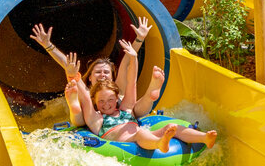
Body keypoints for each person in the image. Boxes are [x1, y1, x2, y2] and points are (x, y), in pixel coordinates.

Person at [70, 41, 217, 150]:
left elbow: (131, 83)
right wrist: (73, 76)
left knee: (171, 126)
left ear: (117, 99)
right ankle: (159, 143)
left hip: (142, 134)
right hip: (130, 140)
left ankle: (204, 138)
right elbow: (84, 96)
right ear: (94, 101)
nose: (106, 104)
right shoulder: (96, 119)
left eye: (110, 100)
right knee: (140, 134)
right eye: (101, 101)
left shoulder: (125, 109)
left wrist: (133, 59)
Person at [31, 17, 164, 122]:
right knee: (80, 114)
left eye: (106, 72)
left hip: (125, 117)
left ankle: (149, 96)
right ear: (89, 77)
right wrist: (48, 45)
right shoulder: (87, 92)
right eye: (98, 72)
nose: (102, 75)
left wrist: (139, 38)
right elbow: (66, 63)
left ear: (112, 76)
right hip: (94, 120)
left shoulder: (118, 87)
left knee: (133, 107)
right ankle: (75, 109)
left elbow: (127, 61)